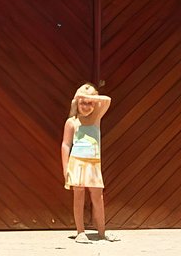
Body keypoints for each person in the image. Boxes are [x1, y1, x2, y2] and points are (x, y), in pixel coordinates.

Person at [61, 83, 119, 243]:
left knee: (97, 197)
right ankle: (80, 231)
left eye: (90, 102)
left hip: (93, 165)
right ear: (76, 102)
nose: (86, 105)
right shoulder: (72, 122)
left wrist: (86, 95)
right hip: (77, 164)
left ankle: (102, 232)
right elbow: (66, 145)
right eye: (83, 102)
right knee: (78, 196)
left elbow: (107, 100)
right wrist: (65, 167)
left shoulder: (96, 119)